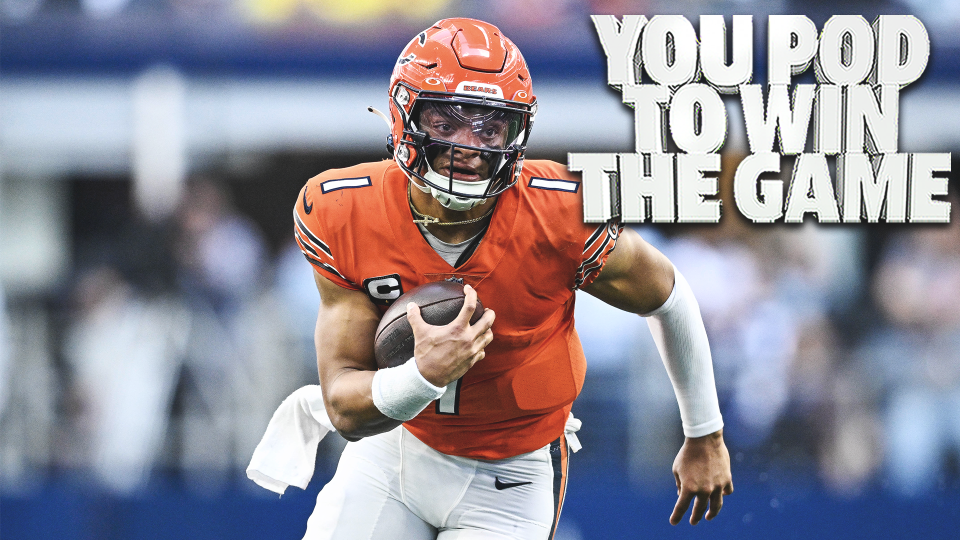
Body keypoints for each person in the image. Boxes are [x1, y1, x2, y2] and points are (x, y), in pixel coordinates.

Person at [291, 18, 732, 539]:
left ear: (516, 133)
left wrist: (705, 432)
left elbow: (668, 296)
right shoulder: (343, 210)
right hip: (397, 452)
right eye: (445, 120)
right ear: (404, 114)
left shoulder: (562, 212)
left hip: (513, 472)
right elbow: (344, 404)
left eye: (488, 126)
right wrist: (423, 376)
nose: (467, 146)